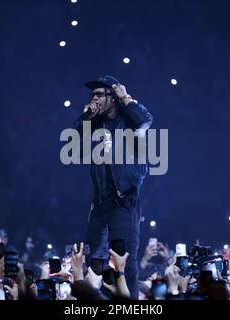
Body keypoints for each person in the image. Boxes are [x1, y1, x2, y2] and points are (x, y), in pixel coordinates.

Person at [73, 75, 153, 299]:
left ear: (113, 97)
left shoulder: (128, 118)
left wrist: (125, 97)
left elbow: (146, 119)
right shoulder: (94, 121)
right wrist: (88, 115)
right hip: (100, 202)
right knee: (96, 261)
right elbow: (76, 134)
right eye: (93, 95)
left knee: (124, 260)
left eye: (100, 94)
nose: (94, 98)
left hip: (124, 198)